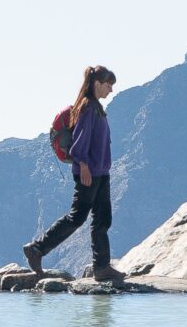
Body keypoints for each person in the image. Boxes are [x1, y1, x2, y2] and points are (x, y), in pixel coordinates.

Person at [24, 64, 126, 283]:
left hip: (100, 172)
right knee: (77, 217)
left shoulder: (96, 107)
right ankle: (37, 248)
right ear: (97, 83)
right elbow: (80, 141)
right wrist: (84, 166)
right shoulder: (88, 107)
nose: (111, 89)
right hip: (89, 172)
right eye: (108, 85)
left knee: (102, 219)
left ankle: (102, 268)